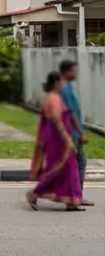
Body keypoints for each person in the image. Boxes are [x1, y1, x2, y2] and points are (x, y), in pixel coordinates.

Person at [27, 71, 84, 211]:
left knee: (69, 169)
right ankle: (34, 193)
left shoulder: (54, 97)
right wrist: (68, 140)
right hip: (56, 140)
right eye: (60, 82)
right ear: (56, 83)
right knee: (57, 170)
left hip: (57, 138)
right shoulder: (53, 98)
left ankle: (71, 201)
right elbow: (57, 121)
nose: (62, 84)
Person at [58, 59, 93, 207]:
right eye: (73, 70)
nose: (76, 73)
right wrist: (80, 133)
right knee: (76, 164)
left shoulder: (66, 87)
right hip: (71, 134)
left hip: (72, 133)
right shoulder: (65, 89)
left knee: (75, 164)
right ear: (66, 72)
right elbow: (70, 113)